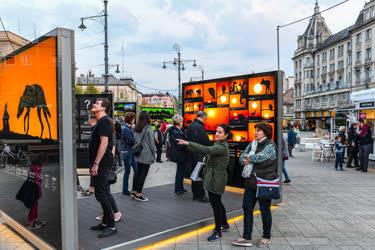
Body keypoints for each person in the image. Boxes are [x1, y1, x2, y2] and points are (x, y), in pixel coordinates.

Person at [177, 124, 230, 242]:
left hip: (216, 179)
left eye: (220, 132)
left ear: (226, 135)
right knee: (217, 202)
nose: (217, 133)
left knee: (215, 204)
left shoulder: (221, 147)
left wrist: (188, 143)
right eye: (216, 131)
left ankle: (218, 231)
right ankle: (225, 224)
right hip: (213, 178)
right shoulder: (218, 144)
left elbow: (206, 149)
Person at [232, 123, 277, 248]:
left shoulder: (270, 145)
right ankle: (246, 237)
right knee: (246, 208)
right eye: (255, 130)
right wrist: (247, 158)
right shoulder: (252, 143)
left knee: (264, 210)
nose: (255, 133)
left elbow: (260, 158)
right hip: (250, 182)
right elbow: (241, 158)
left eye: (258, 131)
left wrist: (249, 159)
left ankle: (266, 236)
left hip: (264, 182)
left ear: (265, 132)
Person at [89, 98, 118, 238]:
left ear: (103, 109)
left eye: (97, 104)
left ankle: (111, 226)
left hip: (102, 164)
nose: (94, 104)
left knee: (101, 194)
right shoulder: (102, 122)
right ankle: (106, 222)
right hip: (103, 163)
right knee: (104, 193)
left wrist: (96, 163)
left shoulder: (104, 121)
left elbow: (104, 143)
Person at [186, 111, 211, 203]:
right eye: (206, 119)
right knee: (200, 175)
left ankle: (195, 194)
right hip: (199, 155)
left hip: (191, 154)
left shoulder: (191, 125)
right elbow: (206, 141)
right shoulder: (200, 127)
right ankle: (201, 195)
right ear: (203, 117)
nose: (206, 120)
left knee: (194, 175)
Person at [131, 111, 156, 201]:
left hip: (138, 154)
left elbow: (135, 140)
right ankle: (139, 193)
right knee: (143, 174)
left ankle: (134, 191)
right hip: (147, 154)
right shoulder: (149, 128)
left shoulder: (137, 127)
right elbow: (152, 144)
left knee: (137, 173)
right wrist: (154, 153)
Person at [167, 115, 188, 195]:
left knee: (180, 172)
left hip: (178, 154)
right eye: (182, 121)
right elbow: (180, 144)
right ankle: (178, 189)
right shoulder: (176, 132)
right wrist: (187, 145)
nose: (182, 123)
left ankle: (180, 188)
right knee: (180, 172)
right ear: (179, 122)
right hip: (179, 154)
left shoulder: (175, 130)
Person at [27, 153, 47, 230]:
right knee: (34, 205)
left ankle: (34, 219)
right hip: (33, 189)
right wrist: (39, 191)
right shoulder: (35, 168)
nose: (44, 163)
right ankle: (31, 223)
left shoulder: (34, 166)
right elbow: (37, 180)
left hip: (32, 188)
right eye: (43, 161)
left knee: (35, 205)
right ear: (40, 161)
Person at [121, 112, 137, 196]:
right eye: (134, 118)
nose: (134, 120)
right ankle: (125, 190)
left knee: (136, 170)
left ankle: (135, 189)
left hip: (130, 152)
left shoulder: (128, 128)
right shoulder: (126, 129)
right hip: (127, 152)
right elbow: (131, 141)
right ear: (131, 119)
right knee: (127, 171)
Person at [82, 115, 97, 196]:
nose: (87, 121)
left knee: (93, 171)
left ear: (91, 120)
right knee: (92, 171)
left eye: (88, 119)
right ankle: (92, 187)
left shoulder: (95, 128)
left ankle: (92, 188)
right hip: (93, 155)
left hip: (94, 155)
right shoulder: (94, 128)